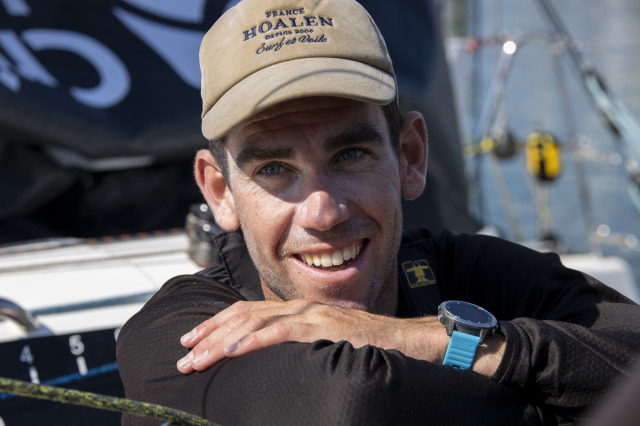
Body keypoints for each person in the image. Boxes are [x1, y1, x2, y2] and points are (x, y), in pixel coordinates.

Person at [116, 0, 640, 424]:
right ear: (220, 191)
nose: (322, 213)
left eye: (350, 155)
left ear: (411, 157)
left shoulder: (463, 270)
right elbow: (354, 404)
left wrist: (415, 338)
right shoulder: (178, 333)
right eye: (274, 169)